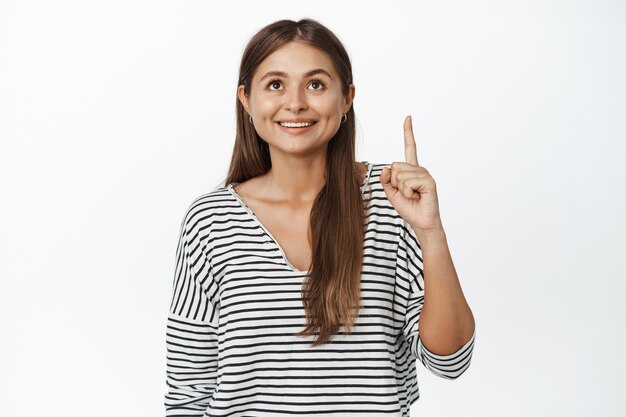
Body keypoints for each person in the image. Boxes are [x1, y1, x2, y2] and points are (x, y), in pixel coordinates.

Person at [164, 18, 476, 417]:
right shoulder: (210, 220)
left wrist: (430, 231)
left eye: (316, 84)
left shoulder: (393, 201)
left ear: (347, 98)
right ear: (246, 99)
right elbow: (188, 391)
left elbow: (449, 361)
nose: (295, 103)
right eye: (275, 84)